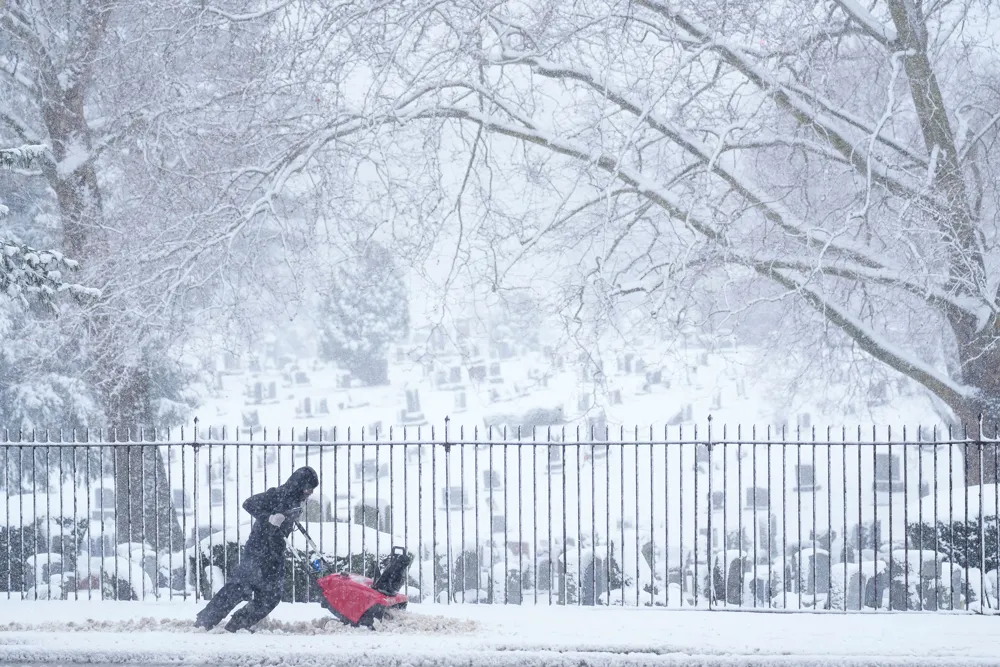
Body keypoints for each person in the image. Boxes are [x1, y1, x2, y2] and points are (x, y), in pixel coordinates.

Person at [194, 466, 319, 632]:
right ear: (299, 484)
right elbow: (249, 503)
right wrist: (269, 518)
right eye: (309, 488)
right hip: (258, 550)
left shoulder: (296, 500)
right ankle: (204, 621)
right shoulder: (276, 494)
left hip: (275, 554)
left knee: (271, 596)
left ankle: (238, 624)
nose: (310, 492)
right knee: (238, 588)